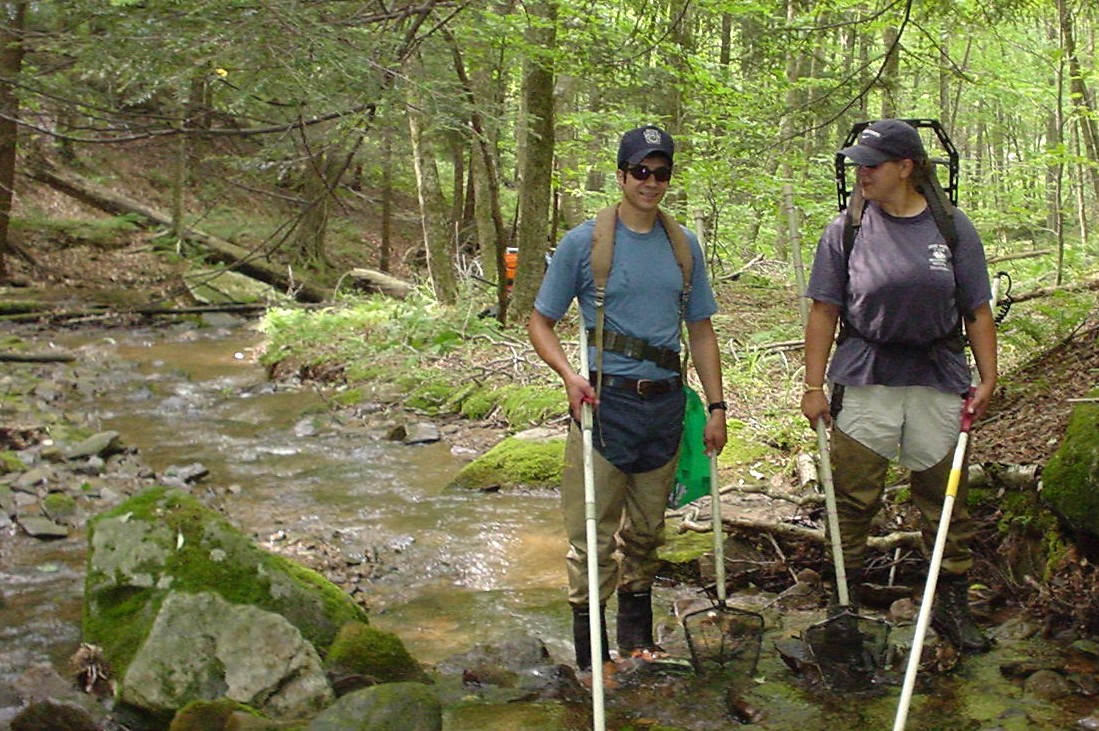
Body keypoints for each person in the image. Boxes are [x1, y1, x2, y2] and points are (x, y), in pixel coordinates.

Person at [528, 125, 728, 675]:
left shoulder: (684, 247)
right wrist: (570, 375)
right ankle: (593, 656)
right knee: (591, 535)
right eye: (640, 171)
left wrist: (715, 406)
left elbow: (702, 329)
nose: (651, 182)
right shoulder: (584, 243)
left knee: (647, 532)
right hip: (603, 405)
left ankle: (637, 640)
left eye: (660, 173)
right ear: (620, 176)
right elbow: (540, 321)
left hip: (664, 406)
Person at [801, 118, 997, 654]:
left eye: (872, 164)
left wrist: (988, 377)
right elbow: (824, 310)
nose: (861, 174)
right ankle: (841, 609)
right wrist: (813, 385)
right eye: (857, 165)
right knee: (852, 498)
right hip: (865, 378)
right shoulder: (846, 229)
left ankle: (949, 603)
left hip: (938, 378)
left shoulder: (952, 227)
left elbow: (976, 310)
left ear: (905, 167)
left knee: (942, 499)